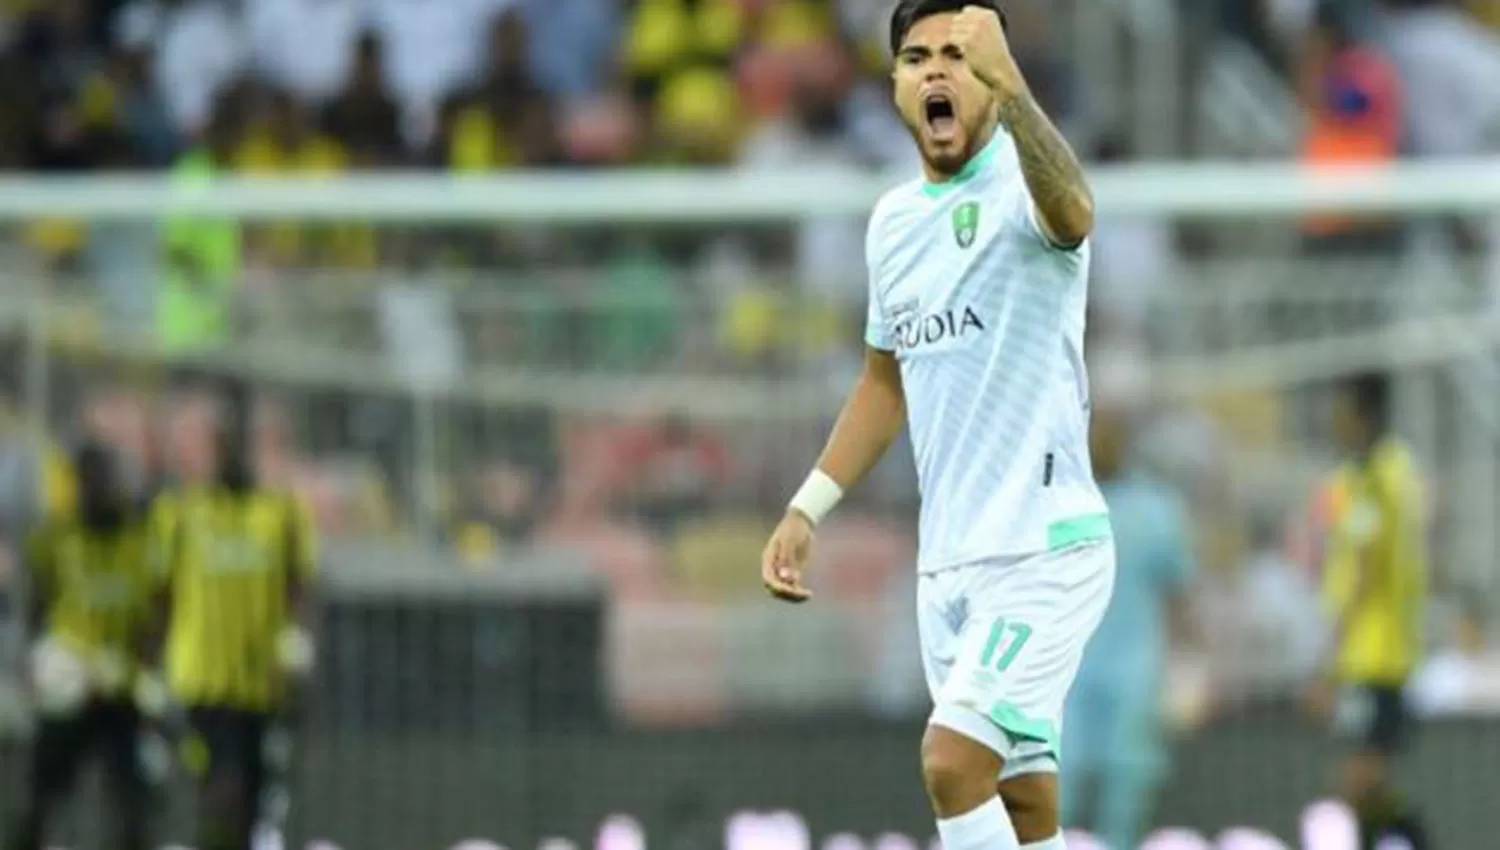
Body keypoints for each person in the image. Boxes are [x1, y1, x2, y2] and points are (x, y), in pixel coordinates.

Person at [760, 3, 1105, 849]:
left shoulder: (1027, 185)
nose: (939, 71)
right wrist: (808, 507)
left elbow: (1076, 216)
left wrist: (1013, 84)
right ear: (897, 87)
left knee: (951, 764)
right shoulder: (894, 223)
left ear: (991, 75)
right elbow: (885, 380)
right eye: (918, 58)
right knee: (1023, 811)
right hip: (948, 567)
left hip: (1043, 551)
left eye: (961, 55)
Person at [149, 407, 317, 850]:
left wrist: (296, 641)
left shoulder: (280, 515)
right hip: (201, 681)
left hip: (262, 684)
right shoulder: (180, 515)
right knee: (225, 786)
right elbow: (160, 593)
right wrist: (152, 666)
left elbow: (298, 582)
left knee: (254, 798)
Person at [5, 441, 159, 850]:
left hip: (121, 690)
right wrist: (37, 661)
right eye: (92, 481)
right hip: (68, 686)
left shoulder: (139, 540)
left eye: (106, 479)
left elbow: (155, 609)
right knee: (40, 795)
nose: (100, 489)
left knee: (132, 799)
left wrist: (148, 667)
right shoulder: (57, 539)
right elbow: (38, 604)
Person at [1061, 404, 1195, 850]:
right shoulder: (1058, 505)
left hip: (1136, 669)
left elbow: (1178, 598)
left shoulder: (1156, 510)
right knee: (1055, 781)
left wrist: (1194, 668)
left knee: (1128, 784)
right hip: (1068, 670)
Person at [1310, 371, 1430, 849]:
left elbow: (1364, 570)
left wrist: (1327, 663)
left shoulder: (1370, 480)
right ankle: (1410, 840)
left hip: (1369, 652)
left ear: (1362, 415)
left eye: (1342, 415)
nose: (1336, 425)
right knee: (1373, 775)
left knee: (1357, 779)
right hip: (1393, 648)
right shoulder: (1397, 468)